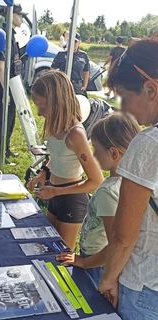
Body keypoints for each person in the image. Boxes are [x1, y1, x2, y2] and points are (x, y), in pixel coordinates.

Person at [98, 38, 158, 320]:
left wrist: (109, 279)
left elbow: (123, 237)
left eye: (124, 97)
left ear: (150, 89)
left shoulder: (148, 144)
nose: (124, 109)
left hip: (144, 285)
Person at [57, 113, 140, 287]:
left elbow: (115, 243)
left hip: (98, 265)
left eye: (96, 148)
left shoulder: (107, 191)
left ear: (113, 153)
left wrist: (85, 262)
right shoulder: (134, 184)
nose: (93, 154)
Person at [27, 70, 103, 250]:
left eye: (42, 107)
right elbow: (56, 157)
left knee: (61, 256)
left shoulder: (75, 134)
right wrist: (44, 173)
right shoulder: (56, 126)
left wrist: (55, 192)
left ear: (56, 103)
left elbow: (96, 181)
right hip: (55, 193)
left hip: (71, 199)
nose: (39, 113)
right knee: (47, 250)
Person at [0, 3, 26, 166]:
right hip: (5, 86)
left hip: (13, 85)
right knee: (3, 120)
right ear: (11, 15)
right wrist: (5, 91)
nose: (21, 19)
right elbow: (1, 66)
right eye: (20, 15)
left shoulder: (11, 35)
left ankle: (6, 149)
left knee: (11, 118)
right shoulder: (4, 35)